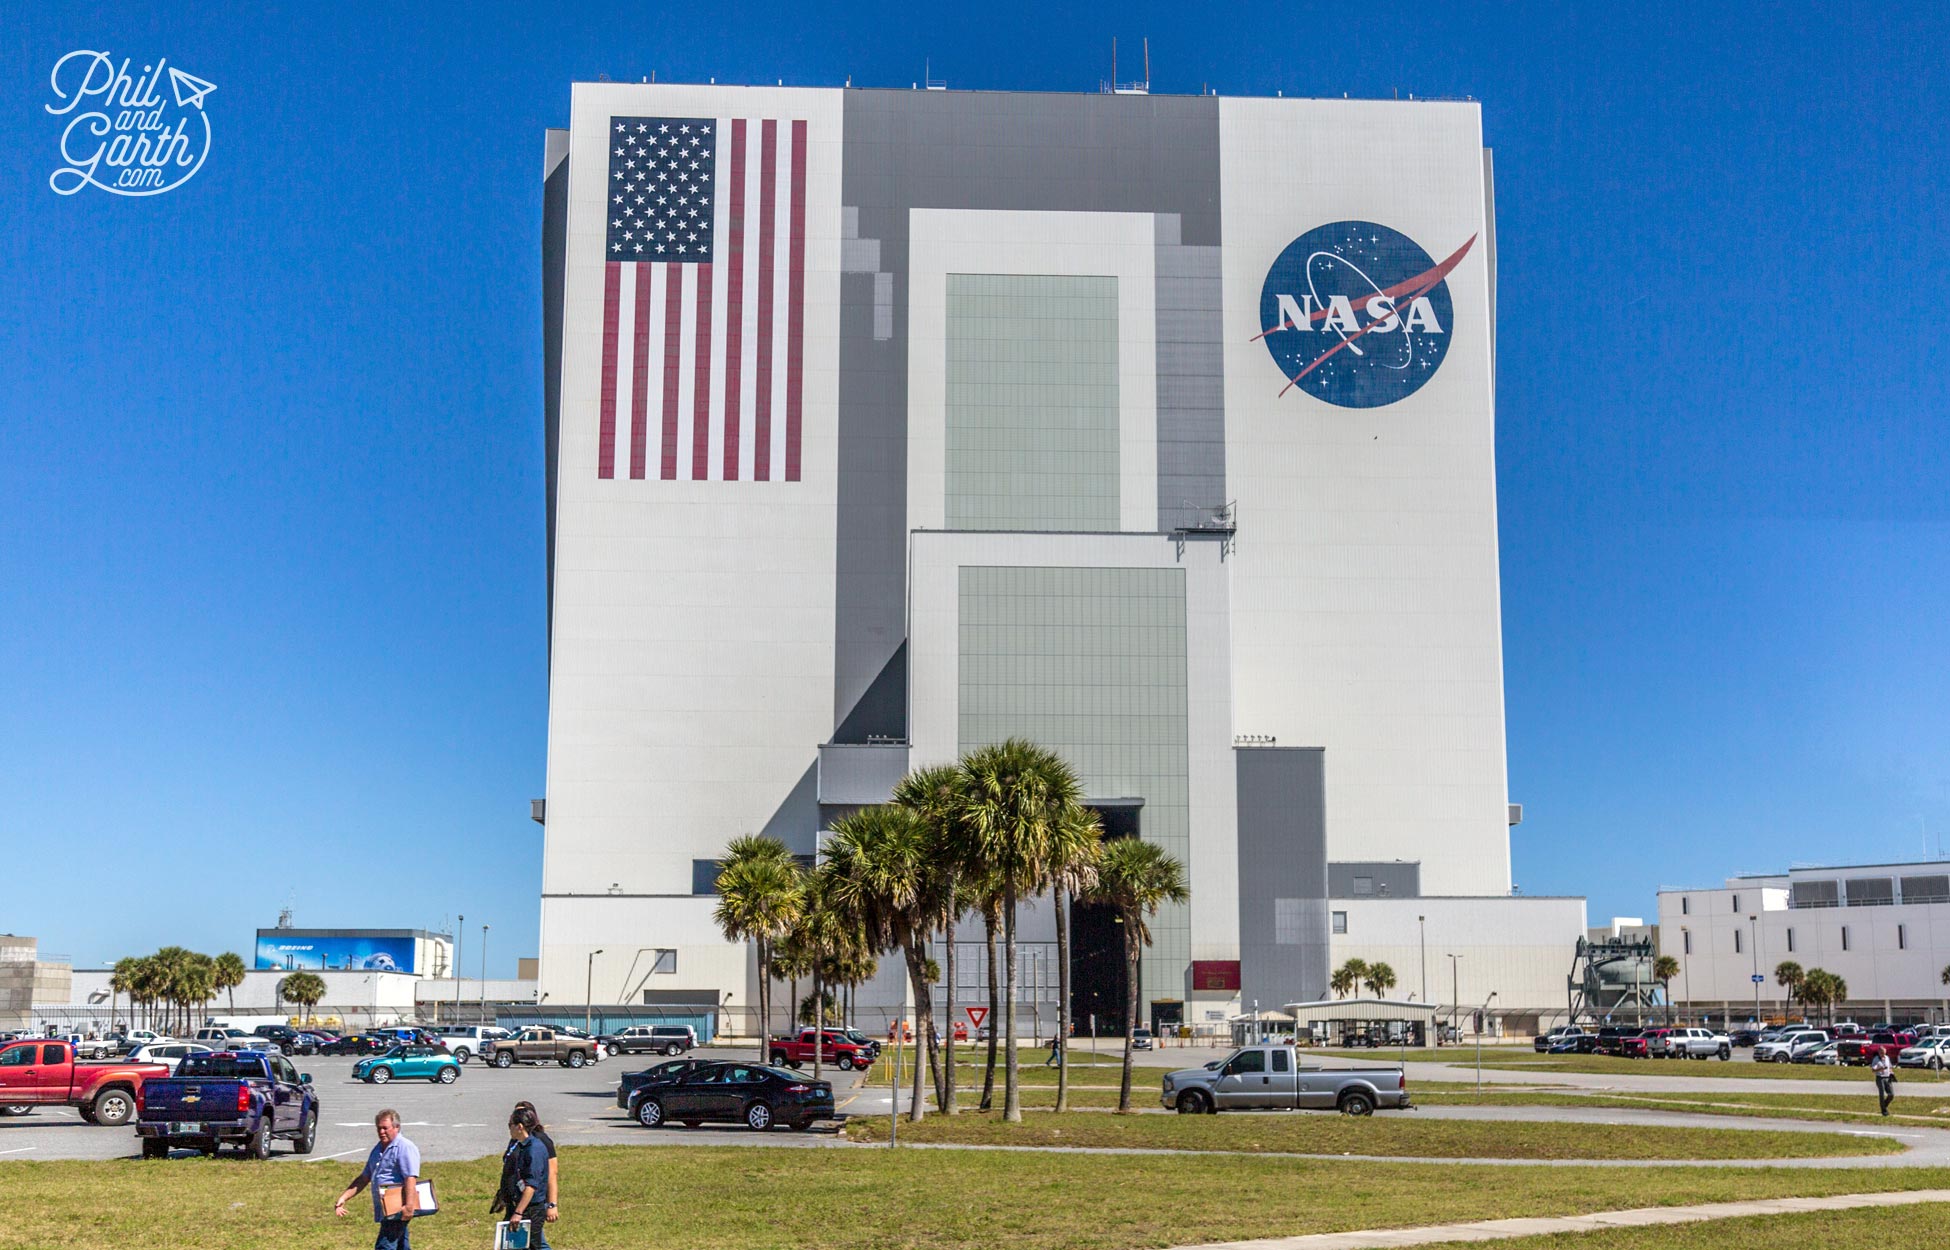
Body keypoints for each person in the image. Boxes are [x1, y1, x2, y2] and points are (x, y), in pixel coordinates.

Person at [334, 1109, 420, 1250]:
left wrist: (409, 1206)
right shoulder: (378, 1149)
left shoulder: (405, 1147)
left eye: (385, 1128)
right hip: (385, 1209)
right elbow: (364, 1177)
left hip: (397, 1208)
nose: (381, 1132)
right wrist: (344, 1197)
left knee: (384, 1246)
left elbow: (410, 1178)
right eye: (379, 1128)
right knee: (401, 1245)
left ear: (397, 1127)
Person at [493, 1107, 552, 1249]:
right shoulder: (522, 1145)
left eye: (510, 1125)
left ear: (519, 1127)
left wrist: (518, 1212)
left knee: (533, 1245)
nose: (509, 1129)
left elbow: (531, 1186)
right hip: (519, 1204)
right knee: (510, 1245)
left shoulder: (534, 1149)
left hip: (530, 1210)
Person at [512, 1101, 559, 1227]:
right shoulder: (517, 1141)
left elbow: (551, 1174)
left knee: (535, 1243)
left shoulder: (538, 1143)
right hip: (517, 1200)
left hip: (531, 1204)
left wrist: (552, 1204)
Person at [1872, 1048, 1896, 1116]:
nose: (1883, 1054)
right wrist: (1880, 1069)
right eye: (1881, 1053)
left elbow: (1890, 1067)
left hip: (1887, 1077)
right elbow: (1873, 1070)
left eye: (1884, 1053)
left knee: (1891, 1094)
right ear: (1879, 1052)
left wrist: (1891, 1073)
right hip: (1880, 1078)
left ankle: (1884, 1105)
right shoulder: (1876, 1059)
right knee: (1882, 1094)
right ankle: (1884, 1111)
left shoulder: (1887, 1058)